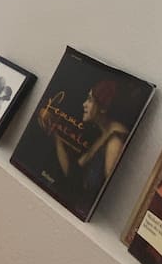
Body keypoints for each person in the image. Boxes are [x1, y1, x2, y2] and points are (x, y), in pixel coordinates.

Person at [39, 78, 128, 216]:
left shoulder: (115, 140)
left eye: (90, 100)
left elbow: (107, 194)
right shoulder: (102, 133)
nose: (84, 104)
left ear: (103, 106)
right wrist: (57, 136)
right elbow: (72, 174)